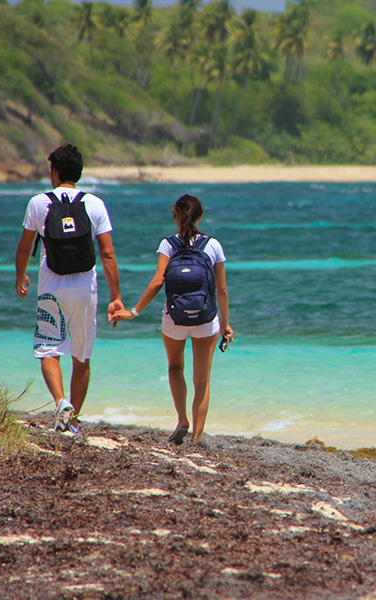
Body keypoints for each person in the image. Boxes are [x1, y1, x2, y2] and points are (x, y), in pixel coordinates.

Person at [15, 144, 123, 434]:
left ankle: (61, 402)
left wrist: (20, 276)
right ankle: (72, 420)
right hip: (85, 287)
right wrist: (116, 298)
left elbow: (25, 247)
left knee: (49, 349)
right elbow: (108, 254)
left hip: (52, 285)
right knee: (82, 355)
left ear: (56, 171)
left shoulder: (39, 203)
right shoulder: (95, 204)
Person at [113, 194, 233, 445]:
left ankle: (182, 421)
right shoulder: (213, 246)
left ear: (175, 216)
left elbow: (158, 281)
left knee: (175, 368)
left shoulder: (167, 245)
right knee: (203, 380)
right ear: (200, 217)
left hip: (174, 319)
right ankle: (198, 437)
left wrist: (133, 312)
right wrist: (225, 324)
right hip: (206, 319)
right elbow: (221, 289)